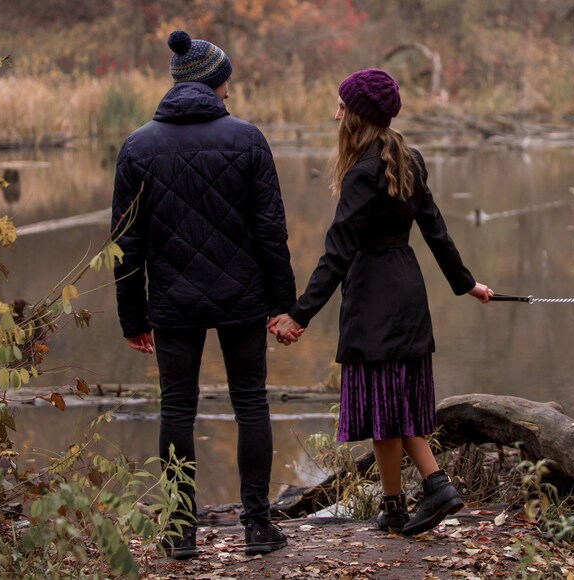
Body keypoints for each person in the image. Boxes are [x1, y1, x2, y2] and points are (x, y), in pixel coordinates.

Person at [268, 68, 493, 536]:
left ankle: (437, 486)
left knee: (389, 406)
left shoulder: (361, 173)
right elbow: (436, 231)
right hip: (407, 291)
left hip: (373, 298)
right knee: (387, 406)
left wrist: (299, 313)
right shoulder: (410, 159)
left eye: (342, 107)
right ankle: (393, 507)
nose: (336, 116)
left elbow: (337, 252)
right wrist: (466, 283)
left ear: (358, 116)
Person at [111, 30, 294, 560]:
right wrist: (282, 303)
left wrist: (132, 317)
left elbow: (125, 242)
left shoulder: (137, 146)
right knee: (250, 403)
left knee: (176, 407)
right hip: (243, 295)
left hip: (172, 300)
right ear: (214, 82)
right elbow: (271, 231)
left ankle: (179, 531)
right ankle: (257, 526)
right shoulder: (248, 139)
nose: (230, 90)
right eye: (226, 82)